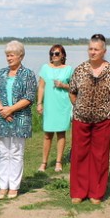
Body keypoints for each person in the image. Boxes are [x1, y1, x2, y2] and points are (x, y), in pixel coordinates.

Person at [68, 34, 110, 204]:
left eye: (96, 49)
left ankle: (96, 192)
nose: (93, 52)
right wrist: (80, 107)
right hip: (81, 118)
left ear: (104, 51)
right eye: (90, 49)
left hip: (103, 120)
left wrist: (108, 109)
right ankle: (78, 191)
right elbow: (72, 91)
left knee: (99, 155)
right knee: (79, 154)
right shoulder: (80, 69)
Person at [0, 40, 37, 199]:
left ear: (20, 56)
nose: (9, 58)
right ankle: (3, 186)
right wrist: (2, 110)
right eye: (7, 55)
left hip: (20, 119)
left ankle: (14, 187)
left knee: (16, 153)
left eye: (12, 55)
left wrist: (11, 109)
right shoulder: (0, 73)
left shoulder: (28, 74)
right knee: (2, 153)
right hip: (2, 118)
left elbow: (30, 97)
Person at [36, 44, 73, 173]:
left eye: (57, 53)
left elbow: (74, 87)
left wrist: (63, 85)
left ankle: (58, 162)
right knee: (47, 134)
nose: (54, 56)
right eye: (52, 53)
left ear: (63, 55)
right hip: (49, 105)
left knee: (61, 133)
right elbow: (41, 86)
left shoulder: (69, 69)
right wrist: (39, 103)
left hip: (63, 105)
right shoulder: (45, 68)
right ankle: (44, 162)